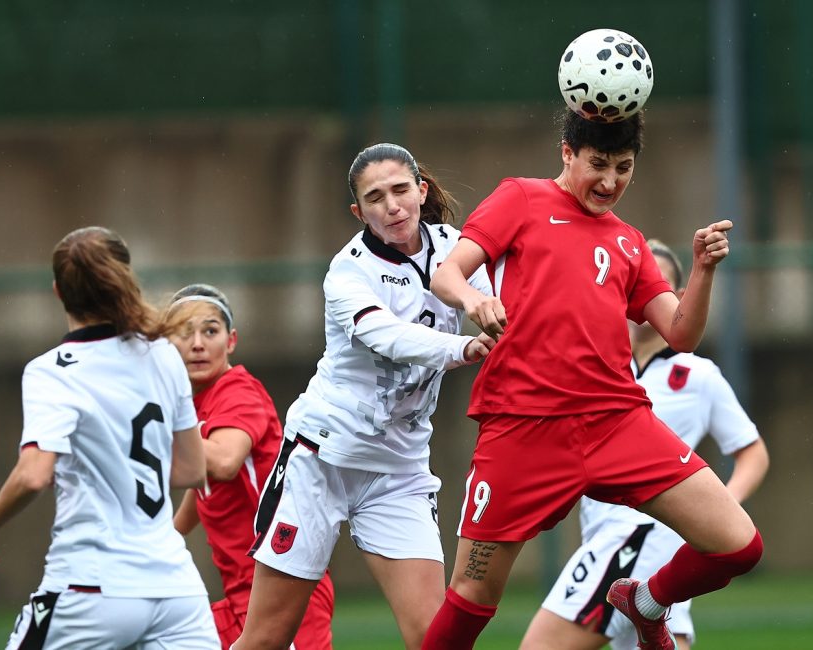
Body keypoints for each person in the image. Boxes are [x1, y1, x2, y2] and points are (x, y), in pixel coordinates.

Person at [422, 110, 765, 650]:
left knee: (738, 545)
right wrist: (473, 299)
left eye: (623, 167)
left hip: (616, 422)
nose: (610, 181)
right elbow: (446, 272)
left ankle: (647, 603)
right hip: (523, 426)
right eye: (598, 164)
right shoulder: (521, 197)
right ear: (567, 152)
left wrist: (702, 269)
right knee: (471, 597)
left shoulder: (629, 242)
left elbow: (681, 334)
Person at [232, 143, 495, 650]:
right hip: (322, 460)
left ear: (421, 191)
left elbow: (500, 298)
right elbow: (387, 336)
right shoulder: (348, 270)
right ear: (358, 212)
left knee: (435, 640)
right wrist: (463, 347)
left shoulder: (454, 248)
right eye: (375, 198)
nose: (392, 206)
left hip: (399, 471)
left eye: (401, 190)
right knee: (266, 639)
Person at [0, 226, 219, 649]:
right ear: (124, 278)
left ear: (58, 292)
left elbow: (33, 475)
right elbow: (192, 469)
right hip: (176, 590)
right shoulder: (164, 355)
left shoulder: (51, 372)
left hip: (92, 587)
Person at [520, 239, 770, 650]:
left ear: (679, 297)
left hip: (640, 538)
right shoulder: (597, 364)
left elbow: (752, 452)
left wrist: (718, 509)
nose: (639, 298)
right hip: (611, 538)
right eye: (630, 285)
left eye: (654, 286)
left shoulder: (697, 374)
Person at [163, 283, 335, 649]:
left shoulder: (237, 390)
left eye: (210, 331)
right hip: (242, 594)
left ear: (231, 341)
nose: (198, 343)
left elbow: (224, 461)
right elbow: (206, 481)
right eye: (184, 332)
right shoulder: (191, 406)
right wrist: (168, 536)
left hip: (282, 588)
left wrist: (147, 432)